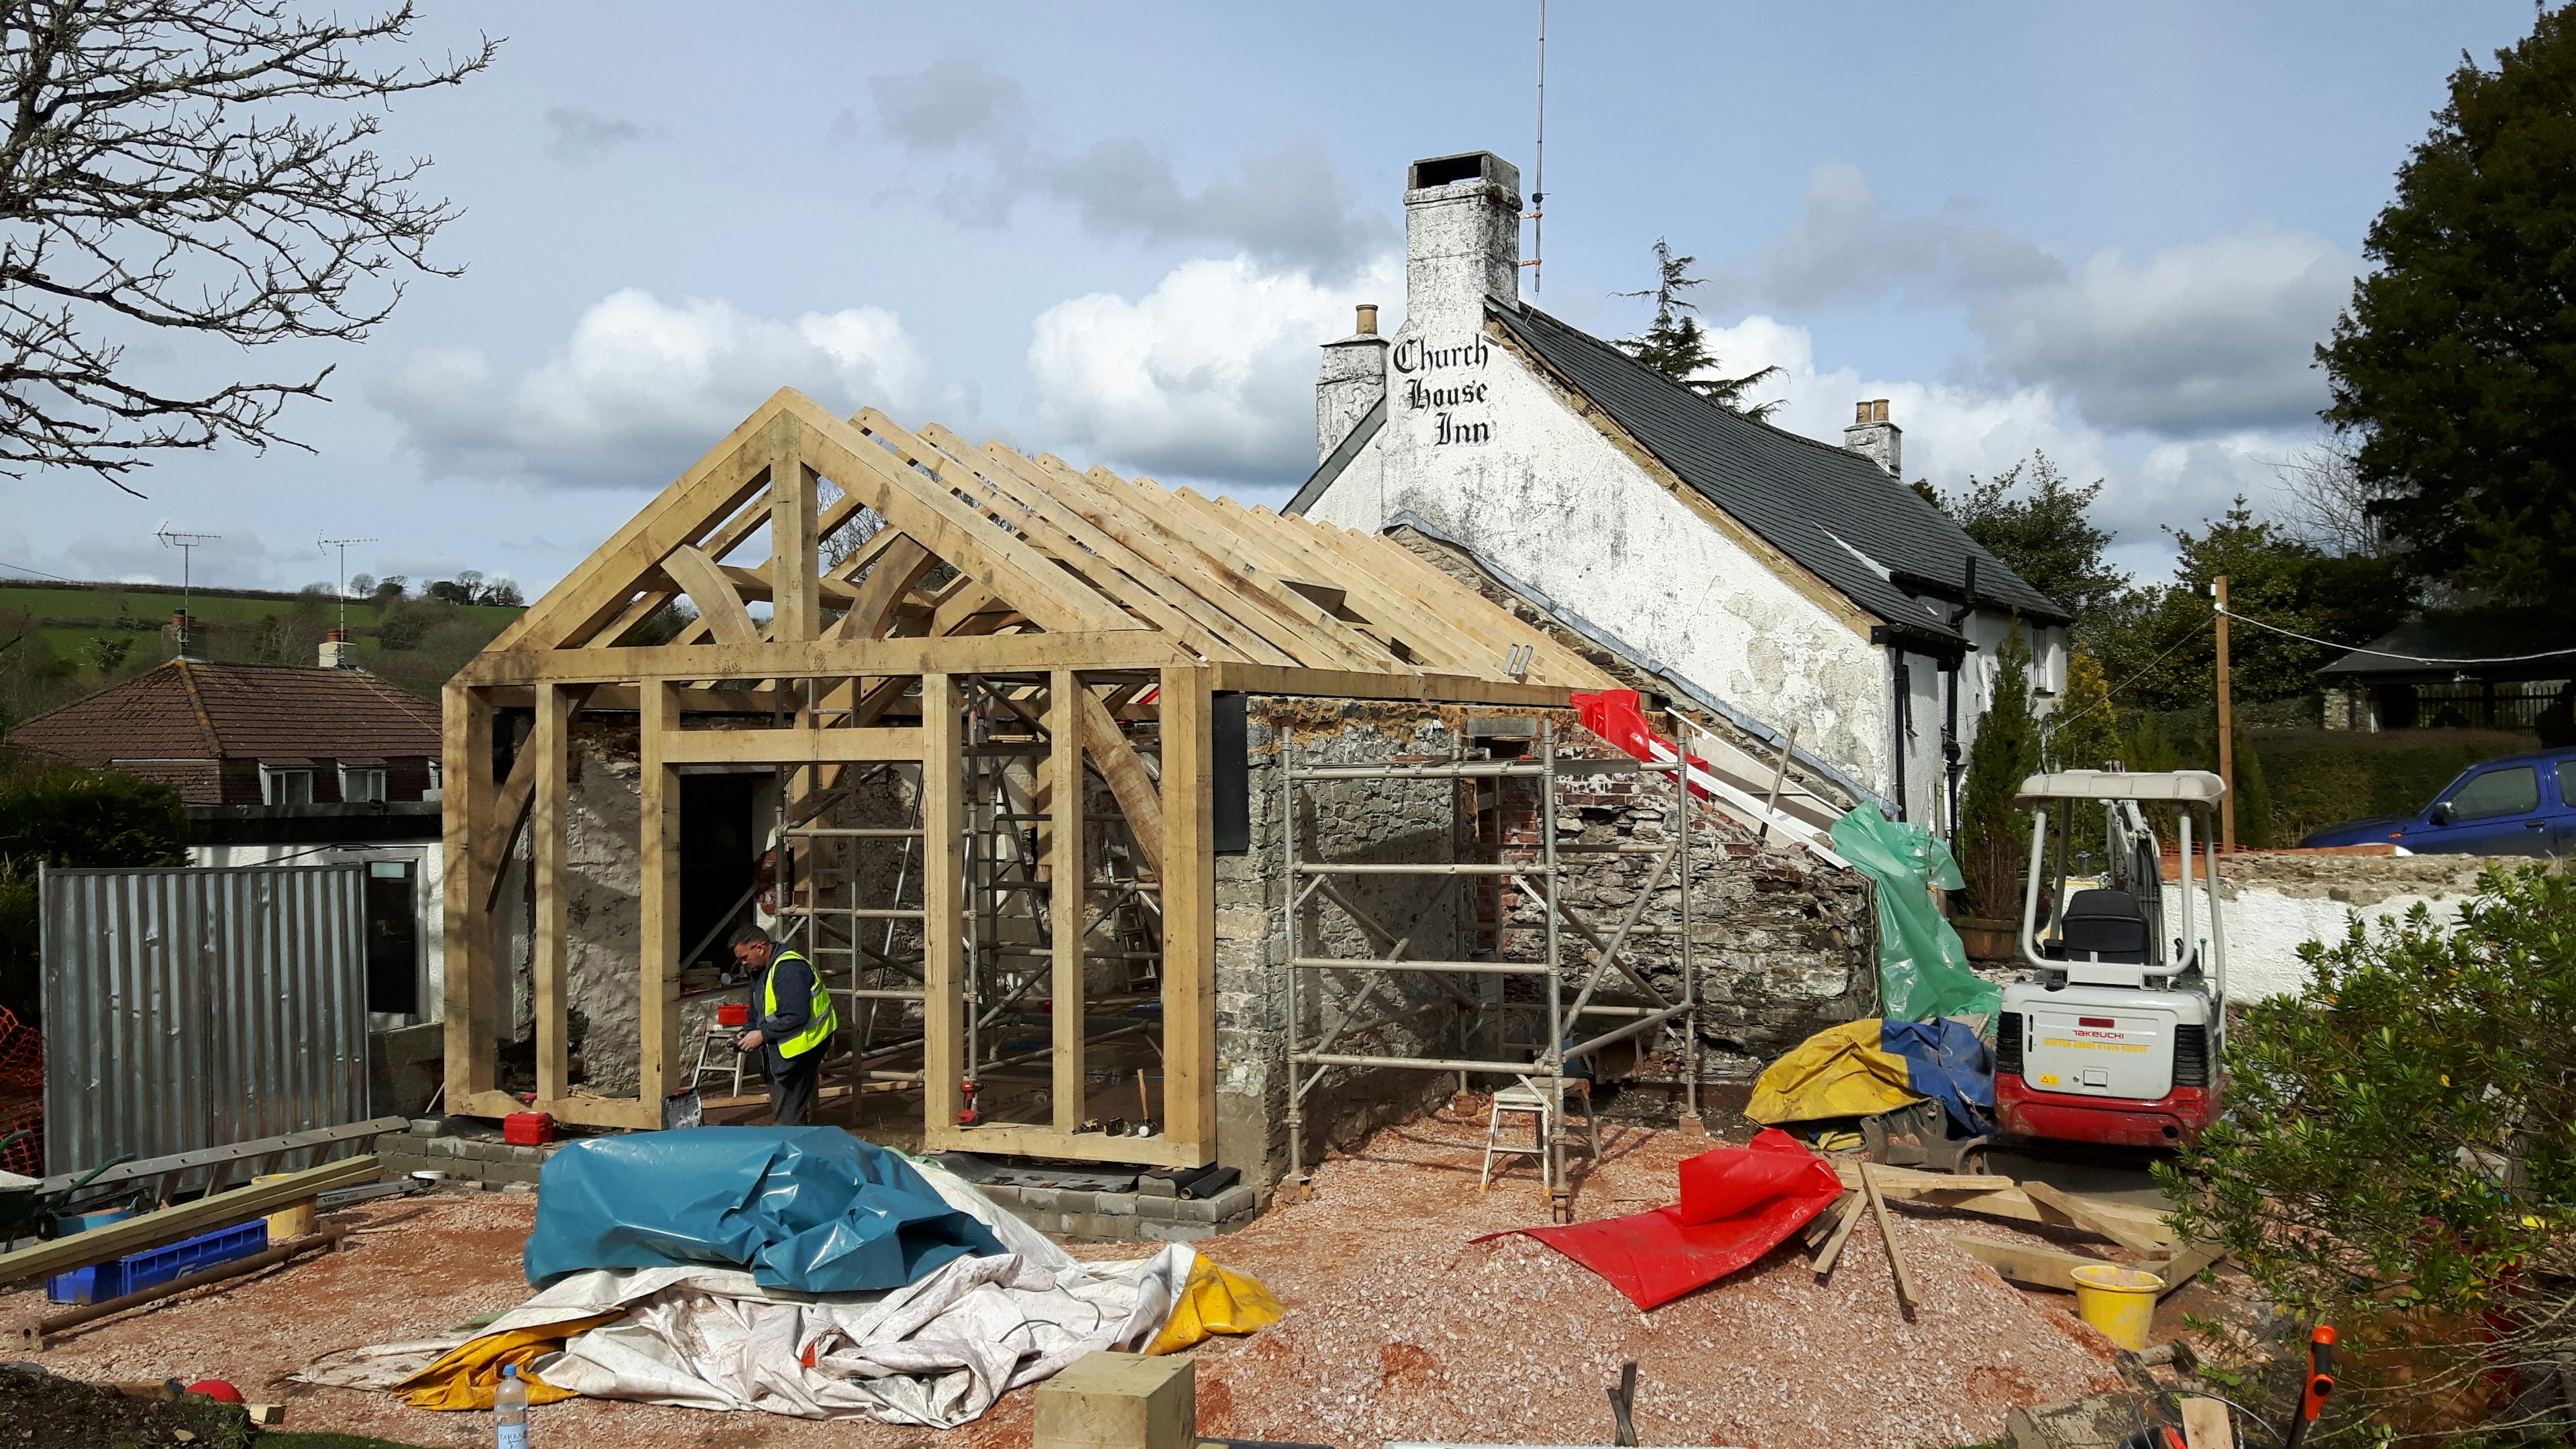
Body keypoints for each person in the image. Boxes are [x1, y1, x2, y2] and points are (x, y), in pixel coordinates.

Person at [731, 925, 837, 1126]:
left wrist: (761, 1035)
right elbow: (756, 1008)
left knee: (788, 1117)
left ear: (760, 948)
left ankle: (793, 1147)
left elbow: (795, 1016)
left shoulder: (789, 969)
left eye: (745, 957)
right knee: (784, 1107)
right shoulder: (759, 969)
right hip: (782, 1043)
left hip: (803, 1046)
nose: (743, 963)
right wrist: (748, 1030)